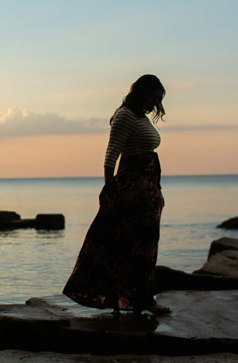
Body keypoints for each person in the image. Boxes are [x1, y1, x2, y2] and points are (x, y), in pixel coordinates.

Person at [63, 74, 169, 317]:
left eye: (158, 99)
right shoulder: (125, 116)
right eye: (152, 96)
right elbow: (111, 154)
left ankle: (134, 299)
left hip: (146, 189)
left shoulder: (139, 116)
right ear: (139, 93)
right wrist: (109, 188)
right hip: (132, 190)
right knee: (128, 246)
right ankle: (136, 299)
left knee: (142, 246)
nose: (155, 103)